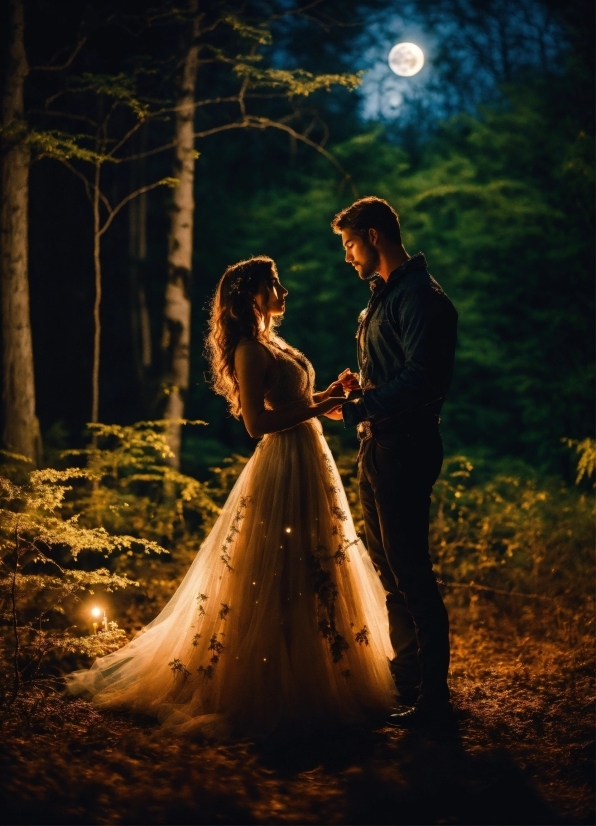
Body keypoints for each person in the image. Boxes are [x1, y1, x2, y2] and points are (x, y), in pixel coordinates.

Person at [66, 255, 396, 741]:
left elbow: (300, 406)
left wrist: (333, 395)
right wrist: (320, 404)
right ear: (251, 295)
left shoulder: (271, 342)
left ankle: (320, 673)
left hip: (309, 458)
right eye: (274, 283)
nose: (283, 289)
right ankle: (271, 684)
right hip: (281, 462)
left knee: (315, 563)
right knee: (275, 568)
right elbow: (256, 424)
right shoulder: (248, 350)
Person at [329, 197, 458, 728]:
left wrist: (363, 404)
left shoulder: (421, 299)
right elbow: (396, 372)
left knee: (410, 571)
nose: (348, 257)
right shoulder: (384, 298)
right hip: (377, 444)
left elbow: (427, 381)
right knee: (389, 568)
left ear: (375, 236)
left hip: (405, 447)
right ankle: (409, 682)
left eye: (350, 244)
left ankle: (433, 698)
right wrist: (363, 388)